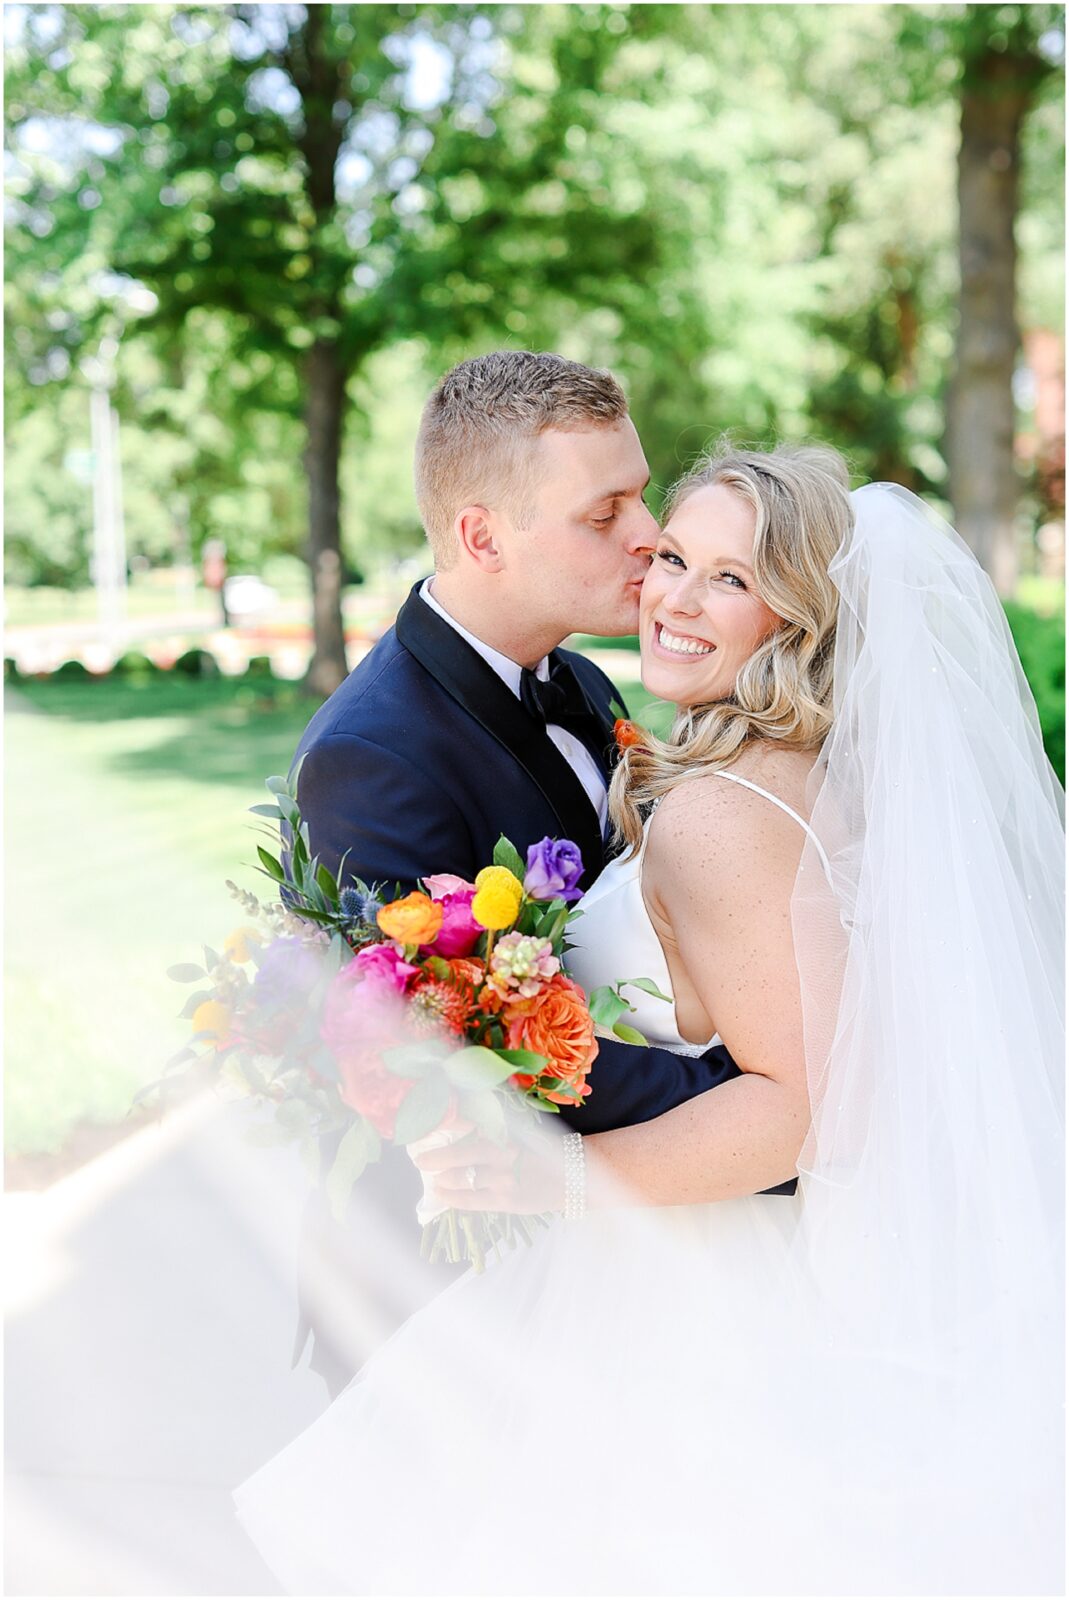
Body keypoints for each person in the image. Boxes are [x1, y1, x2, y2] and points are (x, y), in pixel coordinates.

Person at [237, 444, 1064, 1594]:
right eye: (672, 552)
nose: (668, 589)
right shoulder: (782, 762)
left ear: (804, 613)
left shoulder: (720, 815)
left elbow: (798, 1105)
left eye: (730, 578)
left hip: (703, 1302)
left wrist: (549, 1177)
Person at [288, 353, 794, 1398]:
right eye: (604, 511)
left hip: (609, 1270)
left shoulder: (579, 677)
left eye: (641, 491)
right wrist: (760, 1109)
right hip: (450, 1301)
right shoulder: (372, 757)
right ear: (483, 536)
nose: (648, 532)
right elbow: (474, 1056)